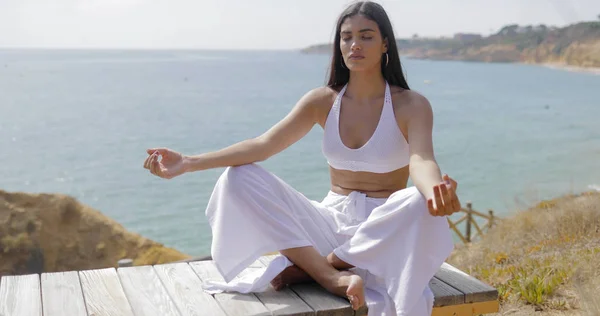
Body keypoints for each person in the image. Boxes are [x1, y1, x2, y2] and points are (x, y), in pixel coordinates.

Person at [143, 1, 461, 315]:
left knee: (419, 200)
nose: (355, 45)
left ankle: (322, 265)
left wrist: (435, 190)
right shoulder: (322, 101)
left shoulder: (411, 105)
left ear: (385, 44)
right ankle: (329, 275)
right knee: (239, 176)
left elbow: (421, 159)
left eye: (366, 36)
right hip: (329, 224)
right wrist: (188, 162)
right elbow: (263, 144)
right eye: (347, 36)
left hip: (382, 236)